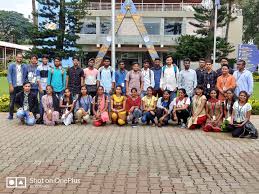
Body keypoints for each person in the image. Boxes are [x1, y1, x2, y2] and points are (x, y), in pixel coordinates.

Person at [7, 53, 28, 120]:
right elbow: (9, 75)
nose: (19, 58)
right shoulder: (11, 65)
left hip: (21, 86)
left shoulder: (24, 66)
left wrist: (25, 85)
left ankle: (22, 114)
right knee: (12, 101)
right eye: (18, 57)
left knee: (22, 101)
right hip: (14, 86)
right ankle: (11, 115)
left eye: (21, 57)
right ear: (16, 58)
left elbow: (26, 76)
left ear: (22, 58)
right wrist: (10, 85)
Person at [36, 54, 50, 124]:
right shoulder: (39, 67)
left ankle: (47, 116)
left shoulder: (49, 67)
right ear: (42, 60)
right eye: (43, 59)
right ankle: (41, 117)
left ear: (47, 60)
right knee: (41, 103)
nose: (45, 60)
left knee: (48, 102)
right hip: (41, 87)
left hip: (48, 88)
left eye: (46, 59)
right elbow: (38, 78)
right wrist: (40, 87)